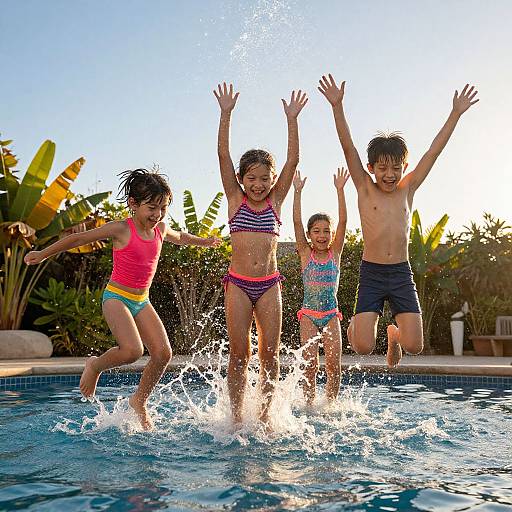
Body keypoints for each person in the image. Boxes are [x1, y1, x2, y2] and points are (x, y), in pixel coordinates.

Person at [25, 169, 220, 429]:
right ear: (133, 204)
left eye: (162, 208)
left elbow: (181, 237)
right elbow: (78, 238)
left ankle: (138, 400)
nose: (157, 214)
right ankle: (95, 365)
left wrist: (204, 242)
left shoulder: (160, 229)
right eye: (151, 207)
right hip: (116, 297)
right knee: (132, 351)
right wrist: (43, 254)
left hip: (142, 300)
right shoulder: (121, 229)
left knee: (163, 353)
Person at [318, 74, 479, 367]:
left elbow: (434, 151)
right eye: (382, 168)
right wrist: (337, 107)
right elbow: (348, 147)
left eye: (396, 168)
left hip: (401, 273)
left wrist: (455, 113)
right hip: (372, 272)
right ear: (371, 168)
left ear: (405, 166)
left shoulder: (408, 188)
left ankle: (394, 336)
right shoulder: (365, 187)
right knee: (363, 347)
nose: (389, 174)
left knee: (415, 346)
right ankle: (356, 325)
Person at [213, 82, 308, 427]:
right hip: (238, 284)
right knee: (240, 354)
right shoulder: (235, 200)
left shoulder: (276, 200)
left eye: (264, 178)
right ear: (241, 179)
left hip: (269, 284)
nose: (258, 184)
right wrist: (226, 114)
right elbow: (223, 157)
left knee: (270, 354)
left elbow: (294, 159)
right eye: (251, 178)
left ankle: (266, 417)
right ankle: (237, 418)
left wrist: (292, 119)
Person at [293, 167, 350, 405]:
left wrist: (340, 190)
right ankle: (308, 405)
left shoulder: (335, 253)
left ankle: (330, 405)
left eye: (327, 231)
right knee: (310, 365)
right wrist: (297, 193)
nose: (322, 235)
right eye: (316, 231)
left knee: (334, 365)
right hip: (308, 315)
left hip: (330, 315)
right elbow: (296, 221)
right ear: (308, 234)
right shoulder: (305, 254)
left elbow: (344, 220)